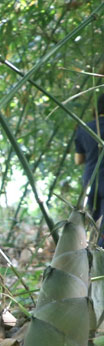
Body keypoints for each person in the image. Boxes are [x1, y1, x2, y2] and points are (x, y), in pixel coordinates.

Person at [75, 93, 104, 243]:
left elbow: (78, 160)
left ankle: (93, 260)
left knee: (95, 225)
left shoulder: (84, 128)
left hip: (90, 182)